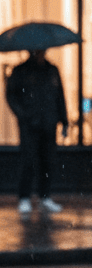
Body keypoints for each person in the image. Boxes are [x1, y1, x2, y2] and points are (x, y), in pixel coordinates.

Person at [5, 48, 68, 214]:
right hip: (30, 125)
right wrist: (24, 115)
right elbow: (11, 95)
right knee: (28, 160)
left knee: (47, 161)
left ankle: (44, 196)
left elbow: (60, 96)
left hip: (48, 123)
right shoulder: (20, 71)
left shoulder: (52, 70)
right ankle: (24, 197)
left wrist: (63, 120)